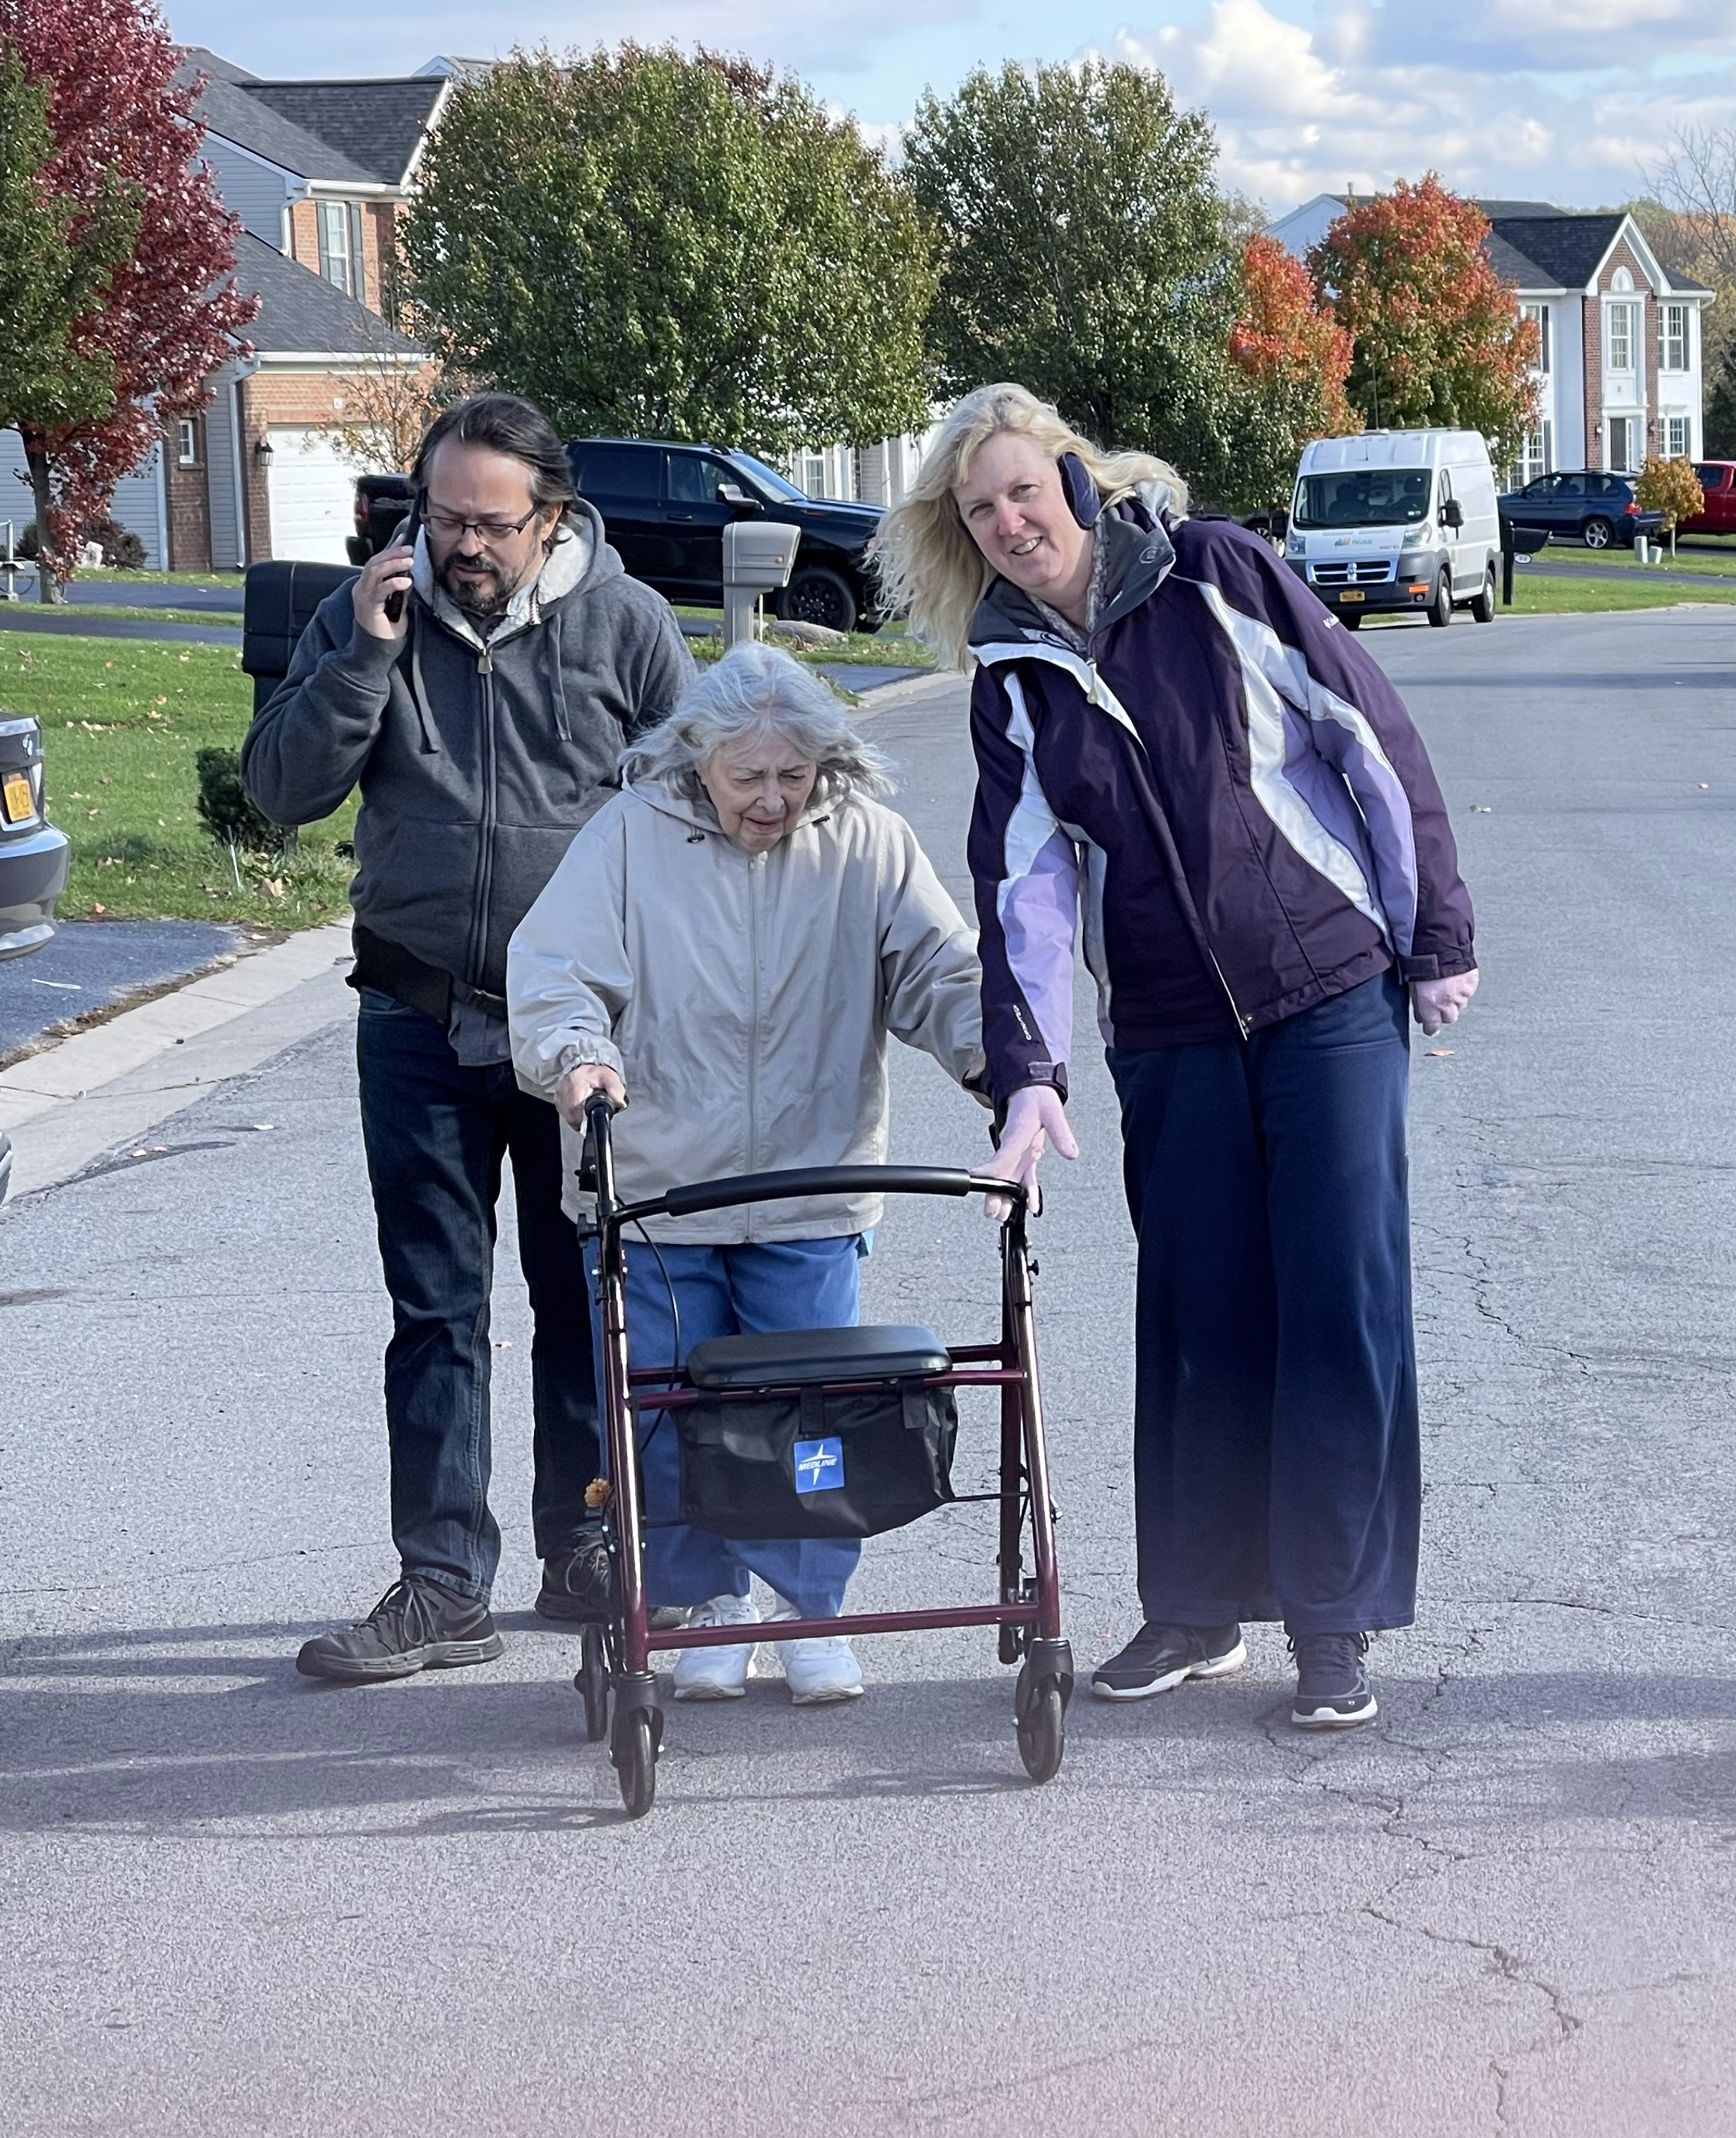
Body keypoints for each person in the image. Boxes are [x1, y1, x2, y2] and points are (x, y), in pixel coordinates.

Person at [875, 383, 1478, 1732]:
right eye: (981, 509)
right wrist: (1028, 1071)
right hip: (1167, 1021)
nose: (1009, 521)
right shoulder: (1014, 671)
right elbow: (1020, 878)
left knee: (1340, 1300)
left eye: (1024, 490)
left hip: (1326, 986)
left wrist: (1434, 930)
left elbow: (1366, 734)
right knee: (1201, 1314)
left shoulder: (1217, 574)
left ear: (1076, 480)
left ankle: (1335, 1623)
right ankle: (1200, 1607)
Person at [246, 393, 695, 1683]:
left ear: (549, 517)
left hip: (578, 1034)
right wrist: (363, 660)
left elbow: (701, 818)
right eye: (442, 516)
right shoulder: (365, 614)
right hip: (418, 1015)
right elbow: (280, 790)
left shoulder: (630, 625)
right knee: (435, 1309)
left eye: (491, 523)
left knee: (582, 1298)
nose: (463, 545)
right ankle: (445, 1584)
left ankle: (588, 1548)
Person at [504, 643, 986, 1703]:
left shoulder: (868, 843)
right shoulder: (630, 839)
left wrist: (997, 1056)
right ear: (697, 763)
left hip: (809, 1193)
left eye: (793, 776)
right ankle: (713, 1605)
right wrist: (578, 1055)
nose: (771, 799)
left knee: (813, 1422)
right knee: (670, 1424)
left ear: (827, 766)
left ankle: (813, 1613)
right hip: (663, 1193)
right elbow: (553, 974)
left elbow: (941, 970)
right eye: (747, 777)